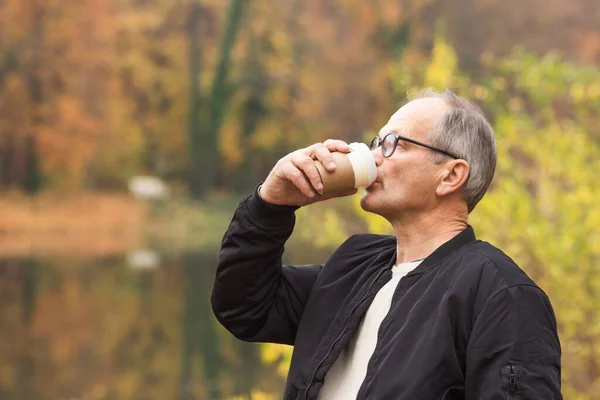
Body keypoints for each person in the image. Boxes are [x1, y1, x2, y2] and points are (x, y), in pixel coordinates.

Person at [211, 89, 562, 399]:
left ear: (451, 176)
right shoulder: (354, 266)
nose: (375, 156)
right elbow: (244, 307)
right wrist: (271, 205)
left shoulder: (499, 293)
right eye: (377, 142)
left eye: (394, 143)